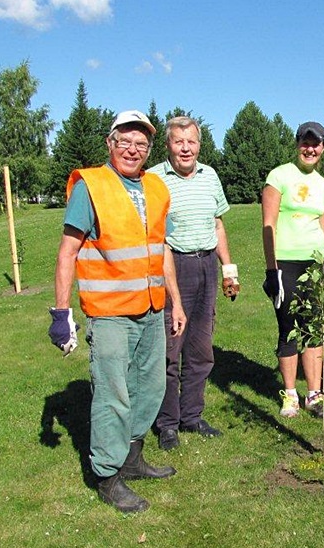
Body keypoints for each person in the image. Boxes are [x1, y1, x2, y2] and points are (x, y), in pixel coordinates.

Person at [49, 110, 187, 514]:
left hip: (151, 307)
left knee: (150, 387)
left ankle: (132, 458)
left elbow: (161, 249)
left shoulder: (157, 187)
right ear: (110, 143)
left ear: (149, 150)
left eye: (141, 143)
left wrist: (176, 301)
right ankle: (107, 476)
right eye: (124, 141)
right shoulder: (90, 187)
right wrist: (61, 313)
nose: (132, 149)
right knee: (113, 394)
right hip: (109, 311)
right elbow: (68, 252)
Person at [147, 116, 239, 450]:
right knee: (170, 350)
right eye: (178, 142)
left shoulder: (209, 175)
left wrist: (228, 269)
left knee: (201, 348)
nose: (185, 149)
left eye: (191, 142)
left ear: (199, 145)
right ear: (168, 145)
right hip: (172, 266)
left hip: (207, 267)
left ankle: (192, 416)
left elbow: (218, 225)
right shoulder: (154, 179)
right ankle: (167, 424)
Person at [261, 121, 324, 419]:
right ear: (297, 143)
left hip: (316, 264)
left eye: (316, 144)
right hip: (286, 262)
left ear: (323, 148)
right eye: (306, 142)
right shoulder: (279, 176)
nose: (310, 149)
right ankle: (290, 394)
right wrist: (271, 270)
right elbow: (268, 225)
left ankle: (314, 395)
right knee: (289, 327)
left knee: (315, 328)